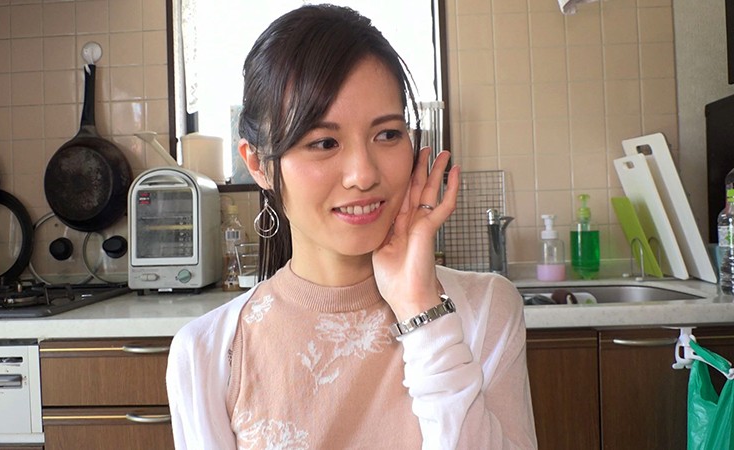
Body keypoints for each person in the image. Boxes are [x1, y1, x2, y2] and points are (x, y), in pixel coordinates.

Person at [166, 4, 537, 449]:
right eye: (324, 142)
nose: (363, 174)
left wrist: (422, 312)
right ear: (259, 165)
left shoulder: (486, 310)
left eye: (387, 134)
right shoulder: (207, 354)